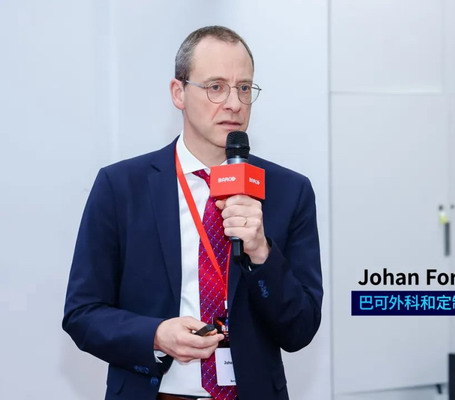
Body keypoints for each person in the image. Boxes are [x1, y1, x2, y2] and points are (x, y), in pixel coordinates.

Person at [63, 26, 323, 400]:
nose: (234, 103)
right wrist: (155, 335)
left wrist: (262, 253)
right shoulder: (121, 187)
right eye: (216, 86)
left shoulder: (288, 191)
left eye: (244, 88)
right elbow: (82, 313)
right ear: (179, 93)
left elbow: (300, 329)